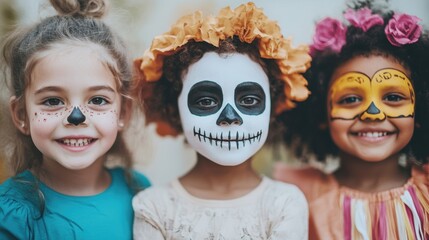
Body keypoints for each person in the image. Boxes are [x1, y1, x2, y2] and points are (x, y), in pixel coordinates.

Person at [132, 2, 310, 239]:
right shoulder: (152, 206)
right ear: (174, 108)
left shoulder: (286, 204)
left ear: (272, 105)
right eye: (206, 101)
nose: (229, 118)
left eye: (248, 100)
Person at [273, 3, 429, 240]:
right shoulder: (299, 197)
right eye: (351, 98)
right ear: (320, 113)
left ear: (421, 108)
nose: (373, 113)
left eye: (393, 97)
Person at [0, 0, 150, 239]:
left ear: (123, 113)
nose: (76, 118)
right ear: (21, 115)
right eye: (52, 101)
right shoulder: (11, 213)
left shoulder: (139, 193)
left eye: (98, 100)